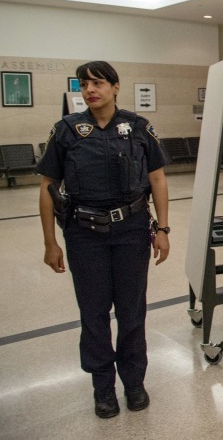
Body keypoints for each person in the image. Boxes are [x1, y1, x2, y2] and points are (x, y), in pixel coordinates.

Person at [37, 61, 171, 419]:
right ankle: (103, 388)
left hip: (131, 231)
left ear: (115, 87)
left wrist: (163, 229)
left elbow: (157, 180)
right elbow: (48, 188)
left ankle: (134, 382)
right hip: (84, 234)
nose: (90, 89)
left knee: (132, 310)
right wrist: (51, 242)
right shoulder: (66, 130)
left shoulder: (139, 128)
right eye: (83, 84)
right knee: (93, 314)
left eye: (97, 83)